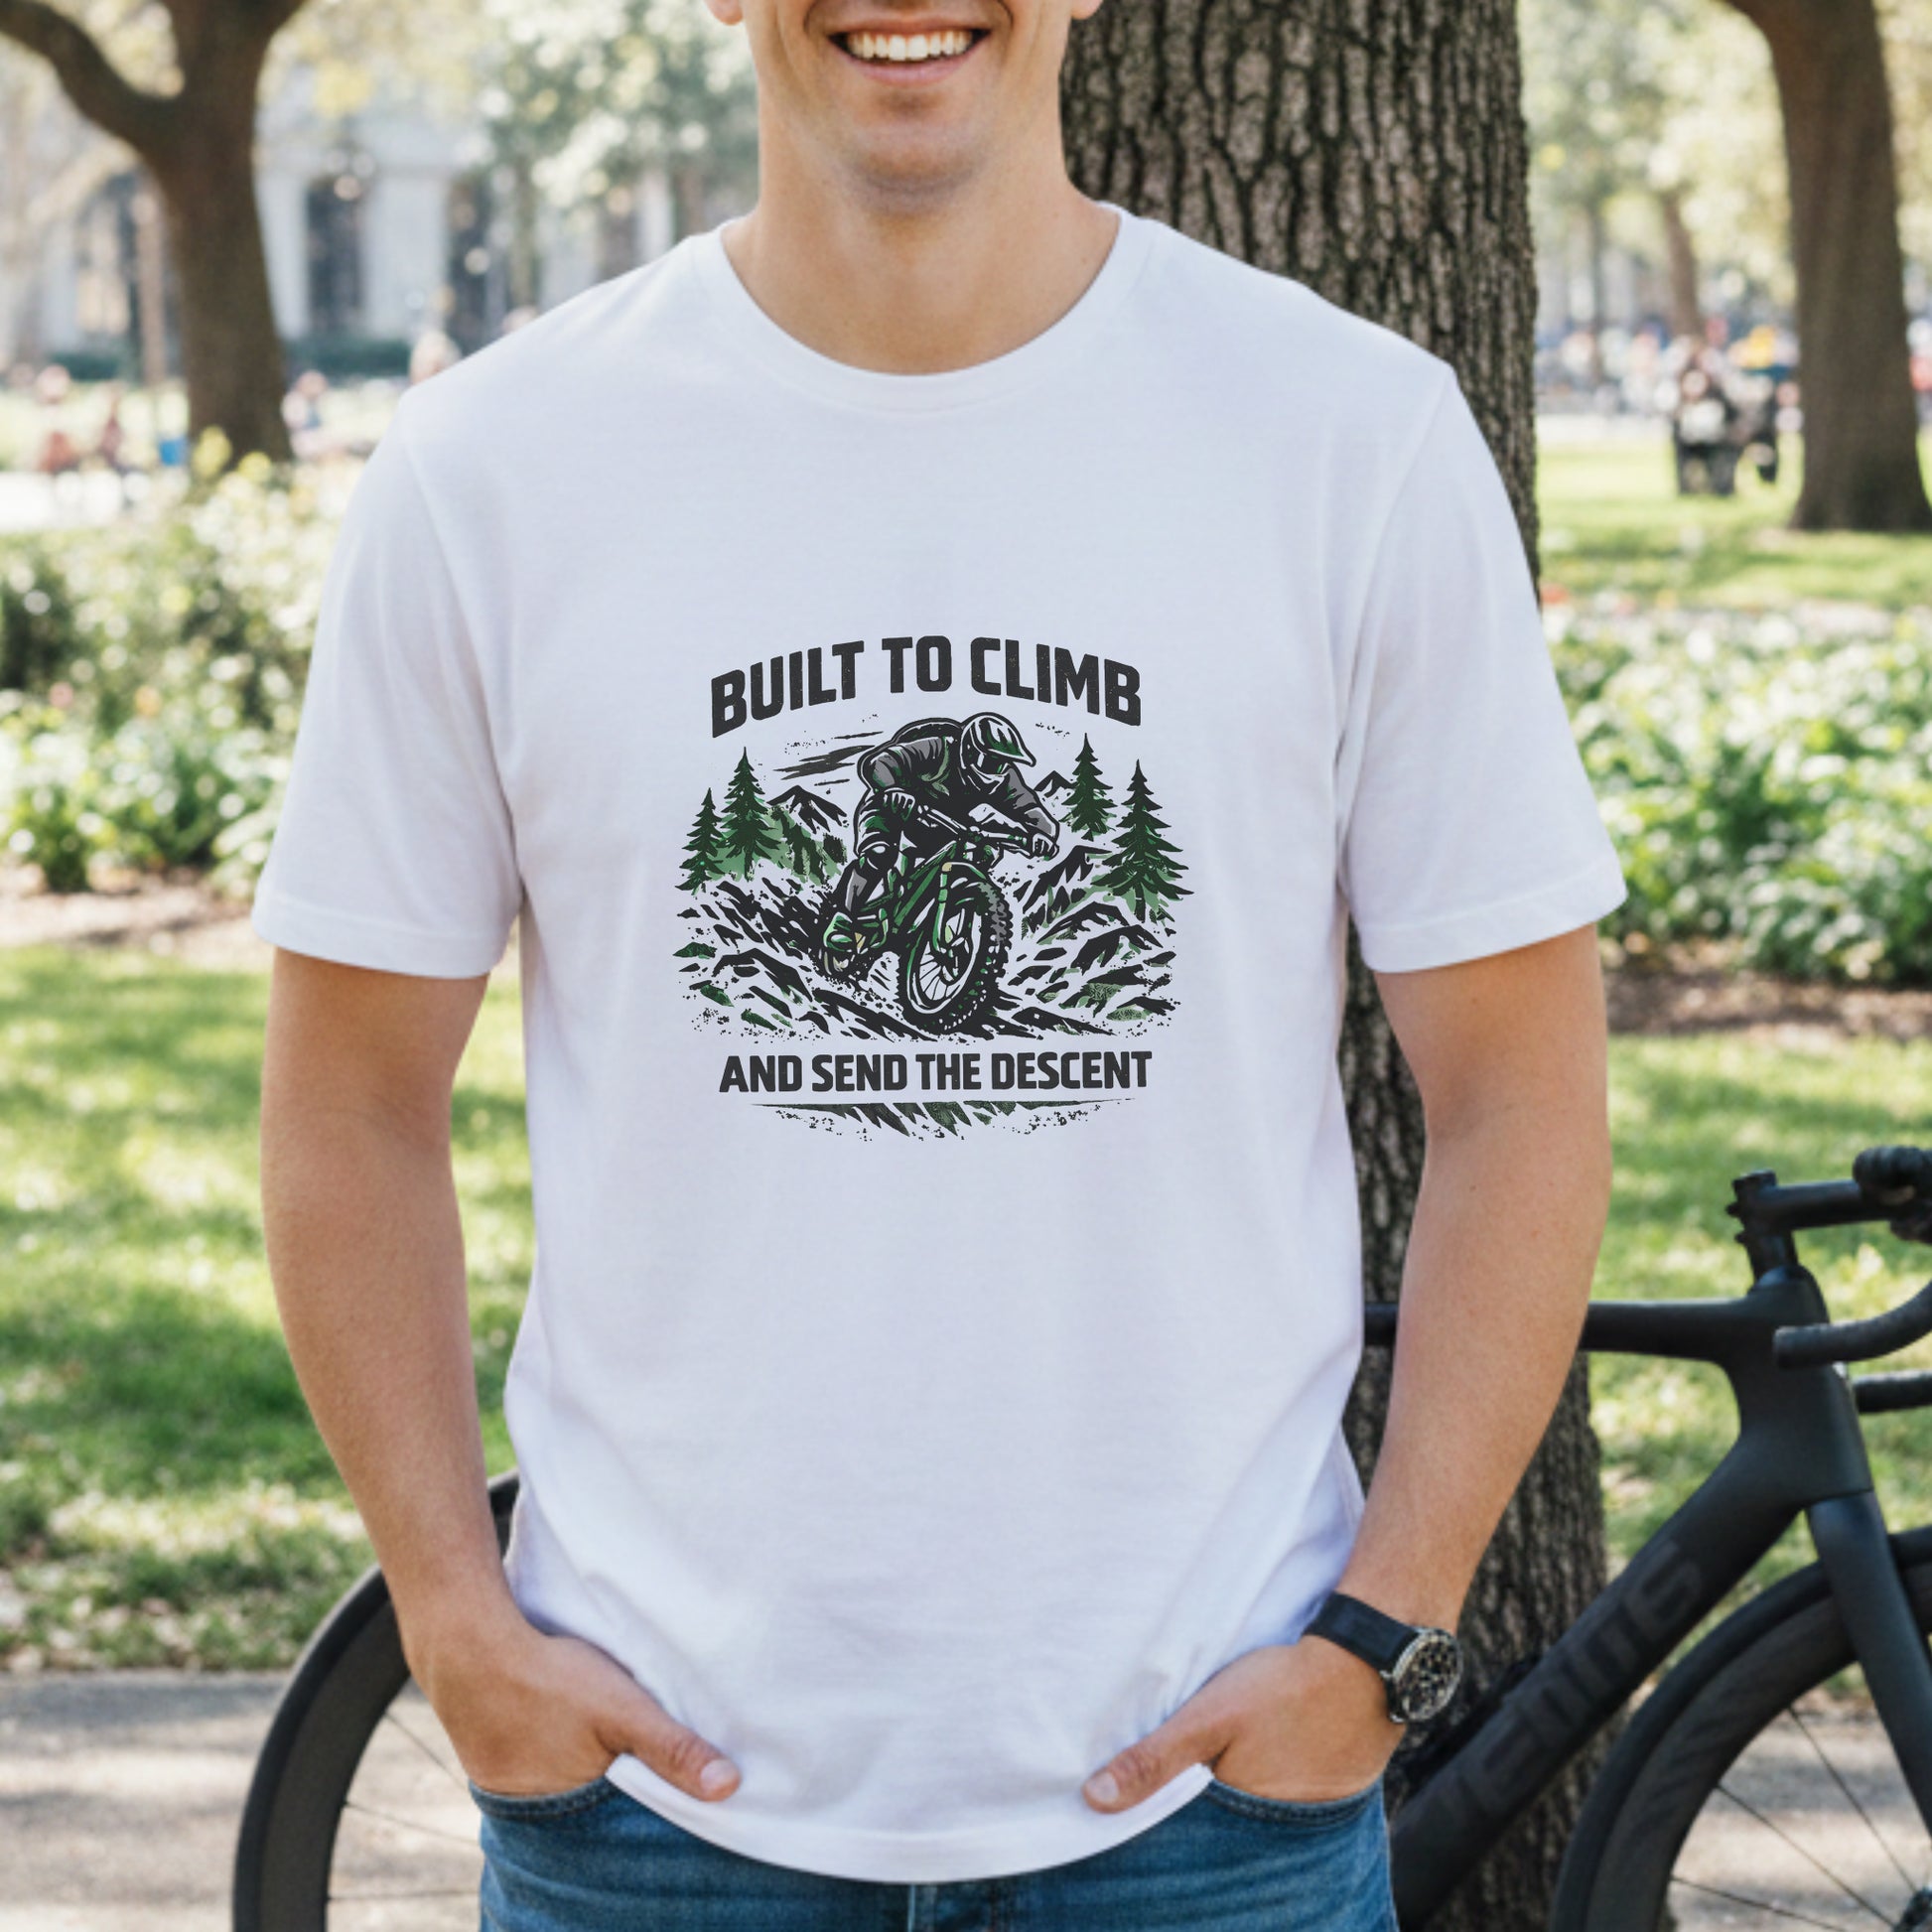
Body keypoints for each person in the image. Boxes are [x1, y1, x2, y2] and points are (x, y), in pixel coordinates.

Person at [251, 1, 1628, 1926]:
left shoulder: (1347, 435)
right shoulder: (494, 467)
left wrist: (1380, 1634)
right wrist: (449, 1612)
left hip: (1207, 1810)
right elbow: (348, 1106)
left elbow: (1520, 1090)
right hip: (652, 1808)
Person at [819, 711, 1059, 966]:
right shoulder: (938, 748)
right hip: (892, 805)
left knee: (980, 853)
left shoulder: (1003, 777)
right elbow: (881, 762)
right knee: (880, 853)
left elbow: (1031, 808)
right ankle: (843, 919)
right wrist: (893, 790)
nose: (995, 770)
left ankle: (933, 914)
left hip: (942, 821)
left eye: (1000, 764)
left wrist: (1042, 835)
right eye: (989, 761)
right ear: (968, 750)